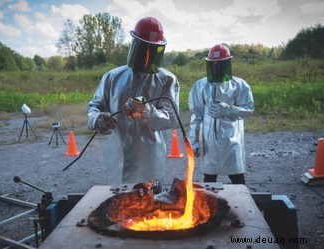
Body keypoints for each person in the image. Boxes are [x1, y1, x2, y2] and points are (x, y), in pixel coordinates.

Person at [87, 17, 180, 184]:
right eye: (143, 48)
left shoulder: (167, 80)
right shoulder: (113, 77)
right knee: (117, 205)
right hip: (118, 159)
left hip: (149, 162)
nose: (146, 56)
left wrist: (146, 111)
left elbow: (170, 119)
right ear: (134, 45)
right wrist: (98, 119)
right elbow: (94, 107)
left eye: (152, 51)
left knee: (149, 205)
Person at [188, 44, 254, 184]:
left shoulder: (239, 85)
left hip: (232, 140)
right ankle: (208, 206)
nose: (217, 68)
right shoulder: (201, 86)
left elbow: (248, 109)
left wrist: (229, 109)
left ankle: (242, 204)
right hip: (209, 142)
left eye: (220, 65)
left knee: (237, 180)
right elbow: (196, 116)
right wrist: (194, 141)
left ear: (227, 64)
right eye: (214, 65)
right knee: (209, 180)